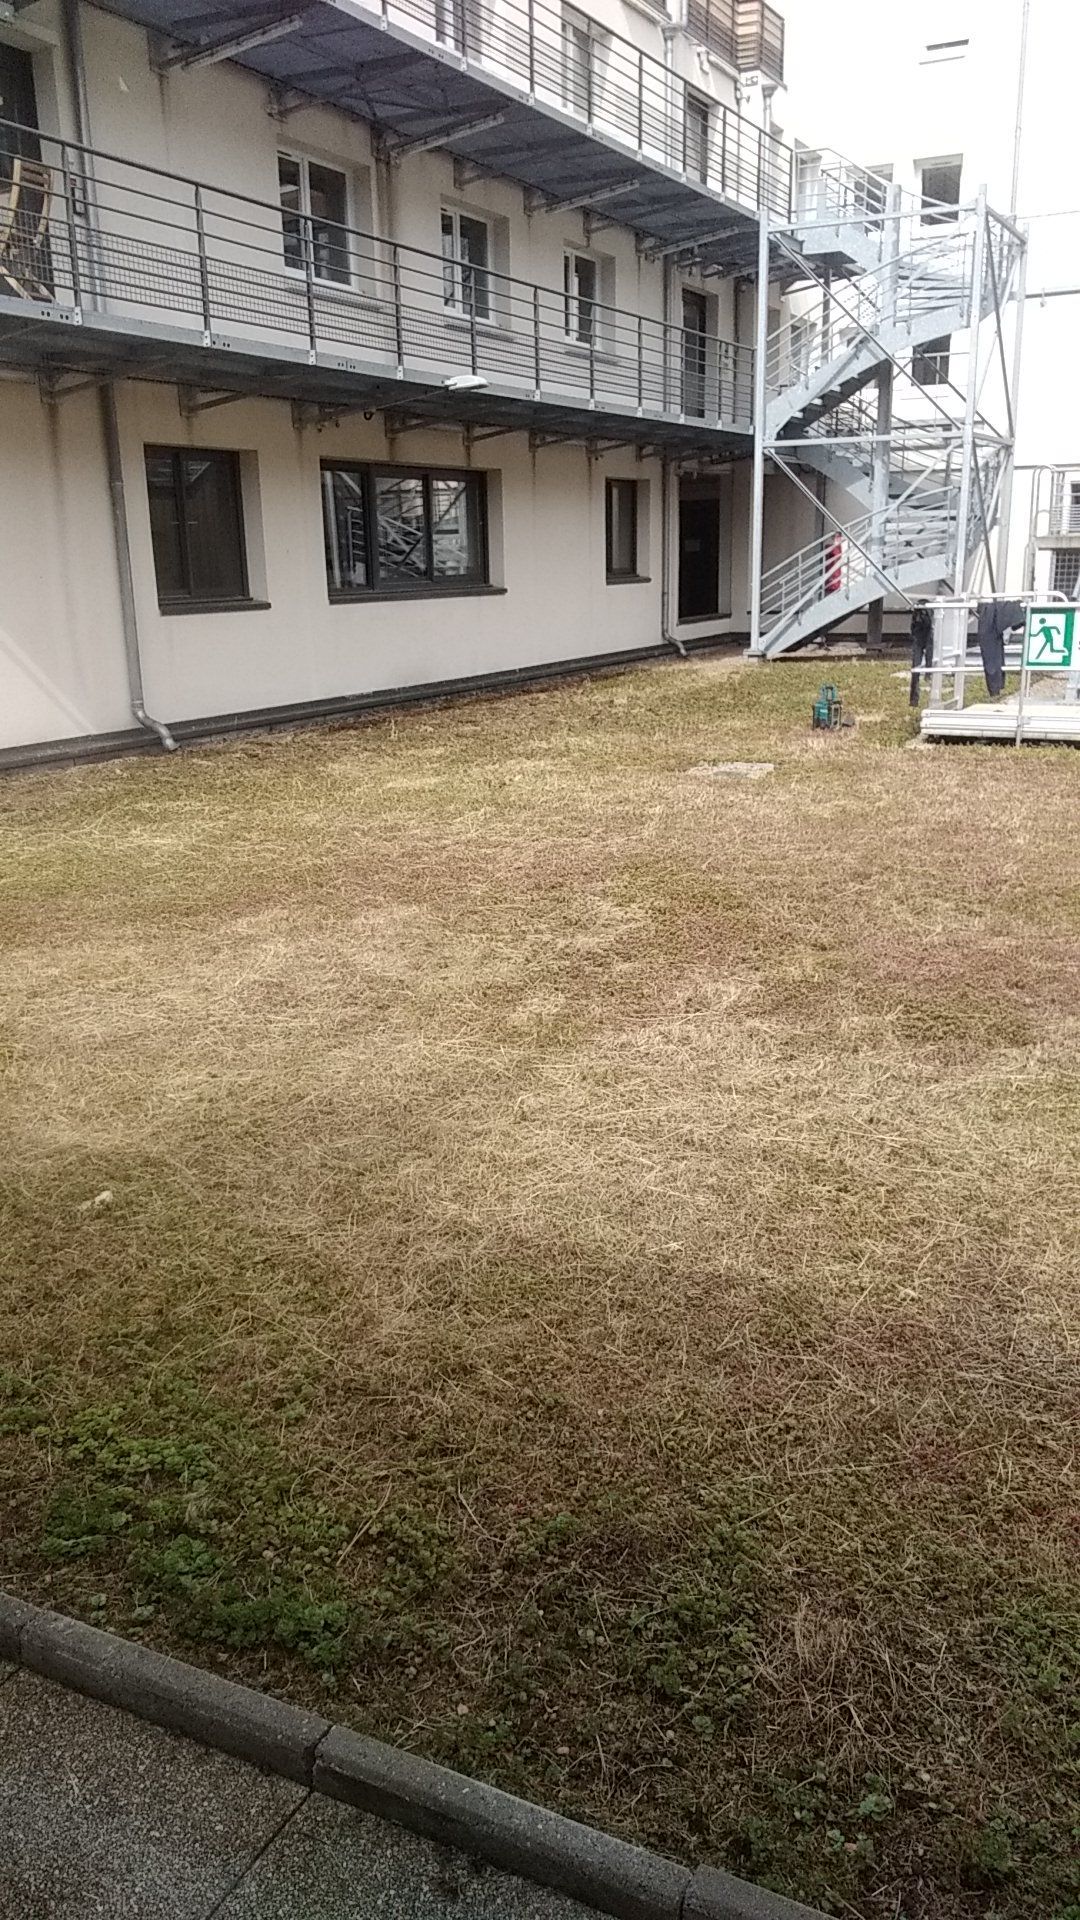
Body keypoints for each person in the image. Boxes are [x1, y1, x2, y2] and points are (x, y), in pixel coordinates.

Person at [976, 599, 1025, 699]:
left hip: (990, 612)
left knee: (990, 651)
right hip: (996, 611)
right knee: (992, 651)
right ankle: (996, 685)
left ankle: (995, 686)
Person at [909, 601, 934, 706]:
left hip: (924, 636)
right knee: (916, 668)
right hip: (920, 637)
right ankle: (914, 699)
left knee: (926, 665)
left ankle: (915, 699)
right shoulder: (919, 615)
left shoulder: (925, 615)